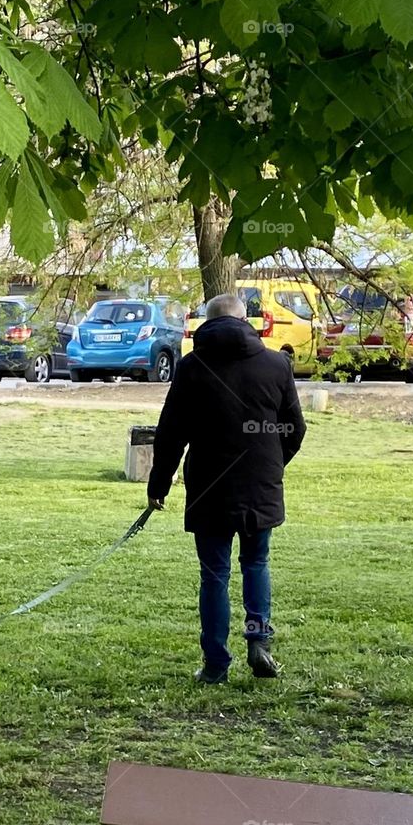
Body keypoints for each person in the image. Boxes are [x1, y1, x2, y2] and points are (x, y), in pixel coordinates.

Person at [147, 293, 306, 683]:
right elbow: (295, 428)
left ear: (207, 321)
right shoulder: (276, 364)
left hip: (208, 486)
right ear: (245, 319)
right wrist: (270, 465)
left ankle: (216, 662)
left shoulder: (191, 367)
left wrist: (159, 484)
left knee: (214, 575)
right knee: (256, 564)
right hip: (260, 486)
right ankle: (259, 640)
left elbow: (171, 432)